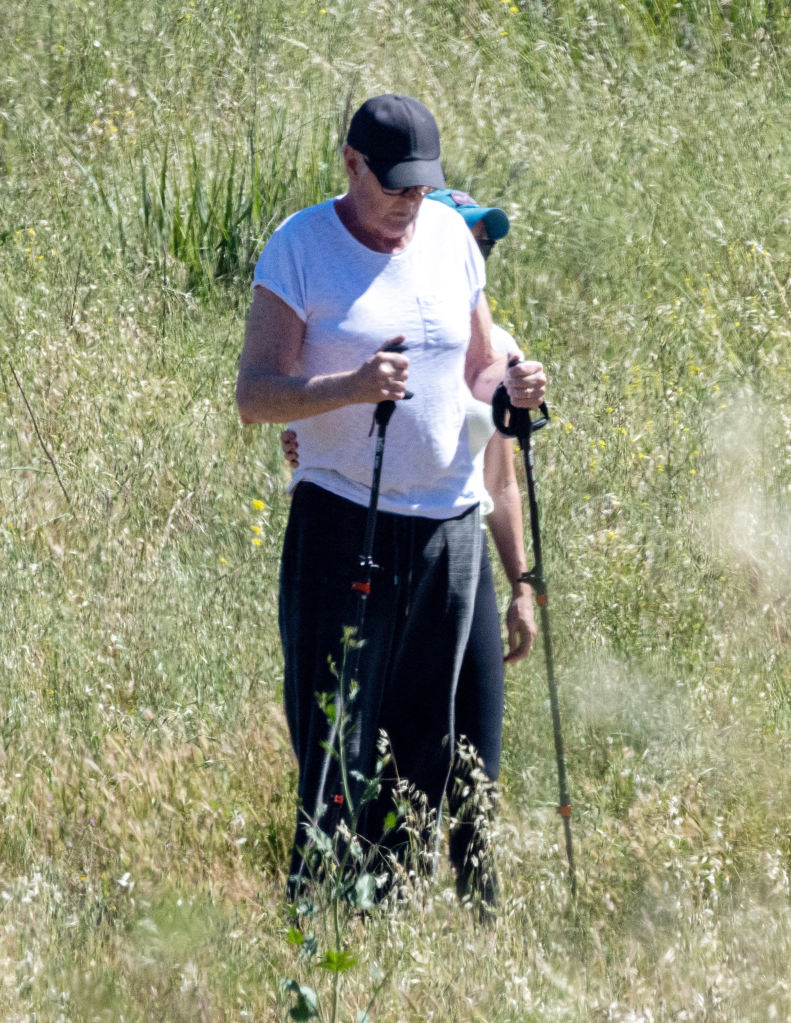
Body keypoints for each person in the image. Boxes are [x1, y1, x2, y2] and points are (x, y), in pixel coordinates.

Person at [235, 94, 546, 894]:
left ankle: (393, 915)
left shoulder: (448, 238)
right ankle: (321, 911)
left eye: (420, 186)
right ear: (350, 164)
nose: (409, 202)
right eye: (394, 186)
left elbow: (477, 366)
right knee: (335, 733)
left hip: (448, 529)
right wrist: (349, 384)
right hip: (343, 522)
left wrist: (510, 383)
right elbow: (256, 393)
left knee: (427, 746)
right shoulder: (299, 248)